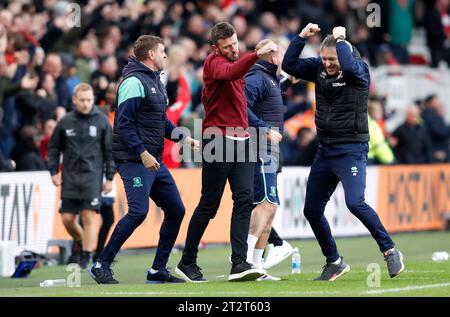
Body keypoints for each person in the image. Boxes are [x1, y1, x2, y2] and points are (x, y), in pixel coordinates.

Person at [282, 23, 405, 280]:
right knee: (311, 210)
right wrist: (301, 37)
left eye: (332, 59)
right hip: (325, 150)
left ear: (344, 53)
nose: (327, 64)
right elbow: (290, 66)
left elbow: (347, 66)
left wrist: (340, 40)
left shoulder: (358, 70)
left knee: (354, 202)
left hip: (351, 149)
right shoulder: (318, 67)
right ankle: (334, 261)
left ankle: (390, 250)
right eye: (324, 58)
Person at [89, 35, 199, 284]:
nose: (165, 56)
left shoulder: (155, 81)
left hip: (152, 159)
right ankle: (100, 263)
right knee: (138, 212)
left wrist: (183, 137)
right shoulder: (133, 82)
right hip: (134, 159)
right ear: (150, 54)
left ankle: (158, 269)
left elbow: (159, 121)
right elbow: (123, 124)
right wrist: (143, 153)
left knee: (176, 210)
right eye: (162, 52)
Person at [176, 22, 277, 282]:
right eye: (227, 46)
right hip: (218, 140)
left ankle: (239, 264)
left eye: (235, 44)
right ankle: (187, 262)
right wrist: (256, 54)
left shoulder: (232, 65)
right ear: (215, 48)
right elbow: (231, 72)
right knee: (209, 205)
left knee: (244, 201)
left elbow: (234, 97)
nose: (233, 49)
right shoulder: (214, 63)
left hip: (241, 139)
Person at [244, 39, 296, 280]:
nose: (285, 59)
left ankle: (257, 265)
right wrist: (264, 128)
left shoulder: (270, 78)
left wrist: (287, 80)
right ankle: (245, 261)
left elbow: (271, 94)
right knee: (264, 204)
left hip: (270, 150)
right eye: (282, 54)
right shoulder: (256, 77)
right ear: (273, 58)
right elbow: (242, 107)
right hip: (260, 148)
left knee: (270, 207)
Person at [48, 83, 115, 270]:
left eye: (89, 100)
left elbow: (110, 152)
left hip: (92, 177)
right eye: (82, 100)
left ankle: (86, 256)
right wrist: (53, 171)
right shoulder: (65, 121)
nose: (86, 104)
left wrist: (110, 178)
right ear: (74, 100)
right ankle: (79, 239)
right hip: (69, 178)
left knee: (89, 215)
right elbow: (53, 148)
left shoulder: (102, 121)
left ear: (93, 99)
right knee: (67, 219)